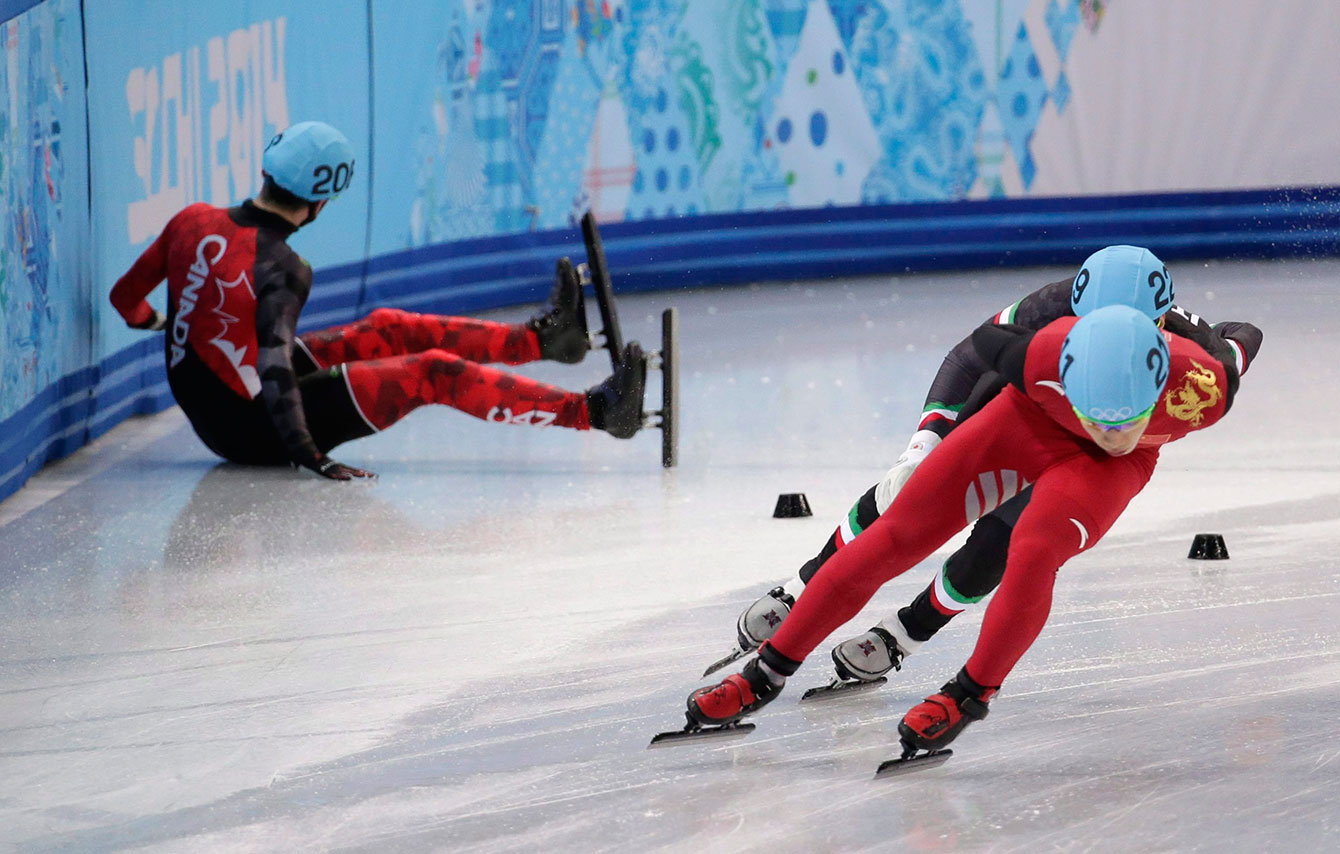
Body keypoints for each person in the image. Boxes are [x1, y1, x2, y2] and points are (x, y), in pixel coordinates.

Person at [687, 302, 1261, 754]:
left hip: (1101, 474)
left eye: (1127, 418)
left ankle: (969, 695)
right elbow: (975, 348)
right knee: (899, 531)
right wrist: (928, 437)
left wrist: (1204, 336)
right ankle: (767, 671)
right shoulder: (1038, 355)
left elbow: (1247, 334)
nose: (1112, 432)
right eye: (1099, 417)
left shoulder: (1207, 386)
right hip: (1030, 419)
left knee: (1032, 550)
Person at [110, 121, 644, 480]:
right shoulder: (283, 269)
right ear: (321, 201)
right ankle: (596, 413)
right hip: (253, 427)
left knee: (388, 327)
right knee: (432, 372)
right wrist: (311, 456)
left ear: (269, 168)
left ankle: (545, 340)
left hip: (227, 399)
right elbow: (275, 371)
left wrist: (167, 324)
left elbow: (125, 299)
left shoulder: (191, 219)